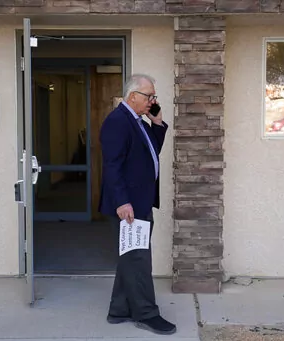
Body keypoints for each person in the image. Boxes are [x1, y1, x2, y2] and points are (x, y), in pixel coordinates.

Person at [98, 74, 176, 335]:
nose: (153, 100)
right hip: (128, 206)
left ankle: (119, 310)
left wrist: (157, 123)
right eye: (149, 96)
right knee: (138, 260)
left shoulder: (138, 121)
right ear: (133, 96)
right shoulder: (117, 122)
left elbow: (151, 152)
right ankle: (146, 314)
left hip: (139, 202)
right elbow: (112, 166)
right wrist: (122, 202)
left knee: (131, 257)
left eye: (153, 96)